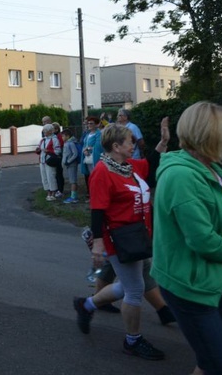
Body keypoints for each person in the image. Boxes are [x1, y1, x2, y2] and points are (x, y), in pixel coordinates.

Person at [152, 102, 222, 374]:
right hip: (190, 287)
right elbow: (202, 240)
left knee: (209, 362)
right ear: (210, 137)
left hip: (214, 280)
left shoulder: (213, 171)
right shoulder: (181, 176)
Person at [73, 119, 170, 361]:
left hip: (137, 236)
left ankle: (86, 306)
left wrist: (164, 142)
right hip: (119, 239)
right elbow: (97, 210)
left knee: (129, 284)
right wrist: (98, 243)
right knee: (135, 288)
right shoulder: (102, 173)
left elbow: (151, 165)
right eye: (130, 142)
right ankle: (132, 341)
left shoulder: (128, 166)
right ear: (116, 146)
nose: (134, 145)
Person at [80, 116, 103, 200]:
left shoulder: (98, 134)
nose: (89, 125)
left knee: (97, 178)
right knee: (91, 178)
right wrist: (84, 150)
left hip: (95, 159)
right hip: (88, 159)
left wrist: (88, 149)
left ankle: (98, 196)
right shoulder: (87, 134)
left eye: (91, 123)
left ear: (96, 125)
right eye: (88, 123)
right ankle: (92, 195)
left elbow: (98, 146)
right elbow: (84, 145)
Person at [38, 124, 61, 201]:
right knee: (44, 178)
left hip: (50, 161)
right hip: (42, 161)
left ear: (50, 131)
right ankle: (48, 193)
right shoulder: (43, 140)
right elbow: (39, 149)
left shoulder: (54, 139)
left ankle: (53, 193)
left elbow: (58, 151)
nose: (44, 132)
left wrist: (49, 151)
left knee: (51, 177)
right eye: (44, 130)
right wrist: (38, 150)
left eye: (45, 131)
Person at [61, 129, 80, 204]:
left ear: (67, 136)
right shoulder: (66, 143)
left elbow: (75, 154)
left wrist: (68, 161)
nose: (62, 137)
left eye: (63, 136)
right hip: (69, 165)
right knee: (72, 180)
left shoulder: (71, 143)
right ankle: (74, 195)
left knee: (73, 181)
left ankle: (73, 197)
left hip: (72, 164)